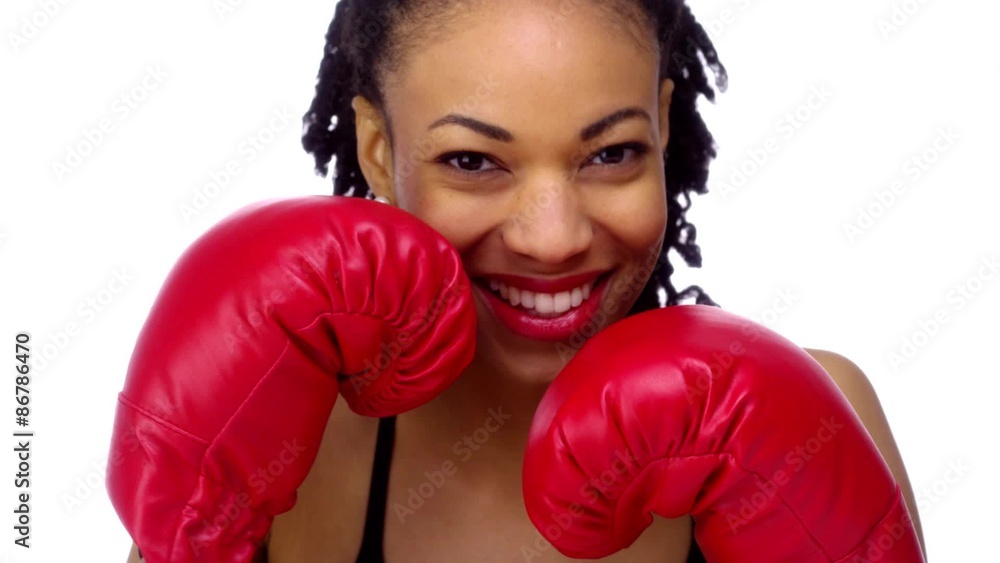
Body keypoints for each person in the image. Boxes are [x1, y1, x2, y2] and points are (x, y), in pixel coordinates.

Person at [117, 0, 926, 560]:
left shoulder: (821, 414)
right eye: (472, 161)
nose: (553, 237)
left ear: (665, 126)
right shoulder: (293, 438)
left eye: (612, 153)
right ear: (376, 151)